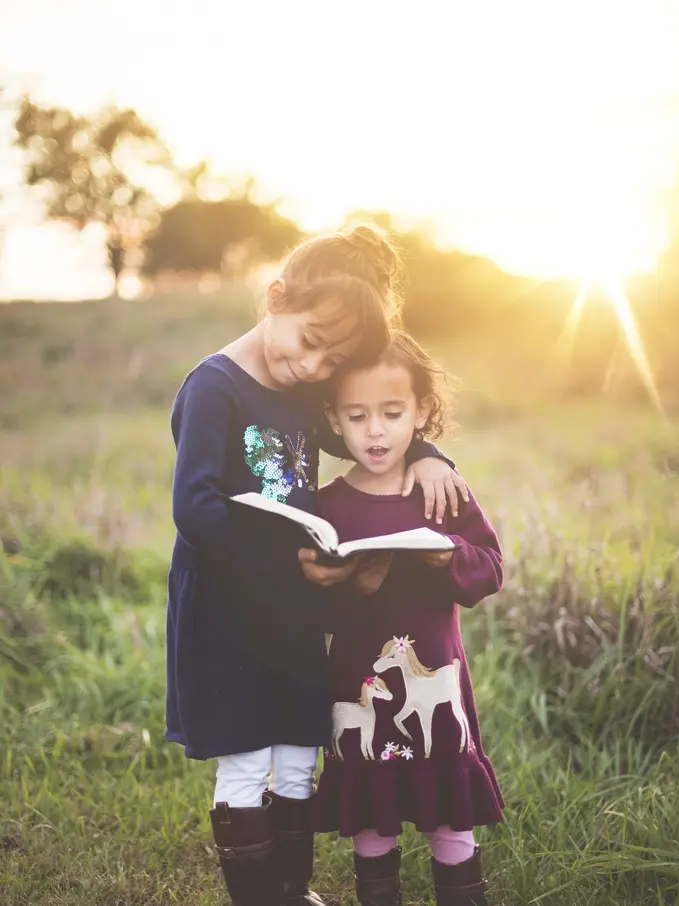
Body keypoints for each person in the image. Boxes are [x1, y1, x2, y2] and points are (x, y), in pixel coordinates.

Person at [166, 227, 468, 906]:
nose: (314, 367)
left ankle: (292, 890)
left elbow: (365, 433)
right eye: (310, 342)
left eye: (332, 360)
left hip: (292, 609)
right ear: (275, 298)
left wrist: (426, 454)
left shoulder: (304, 389)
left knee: (300, 753)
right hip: (226, 606)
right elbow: (194, 508)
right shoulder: (214, 386)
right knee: (247, 757)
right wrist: (281, 568)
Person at [312, 331, 504, 906]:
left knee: (451, 818)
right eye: (357, 414)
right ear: (333, 418)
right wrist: (356, 586)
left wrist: (449, 555)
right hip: (359, 685)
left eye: (392, 413)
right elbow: (311, 606)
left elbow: (490, 568)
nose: (375, 429)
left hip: (437, 677)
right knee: (373, 821)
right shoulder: (327, 505)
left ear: (420, 411)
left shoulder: (441, 489)